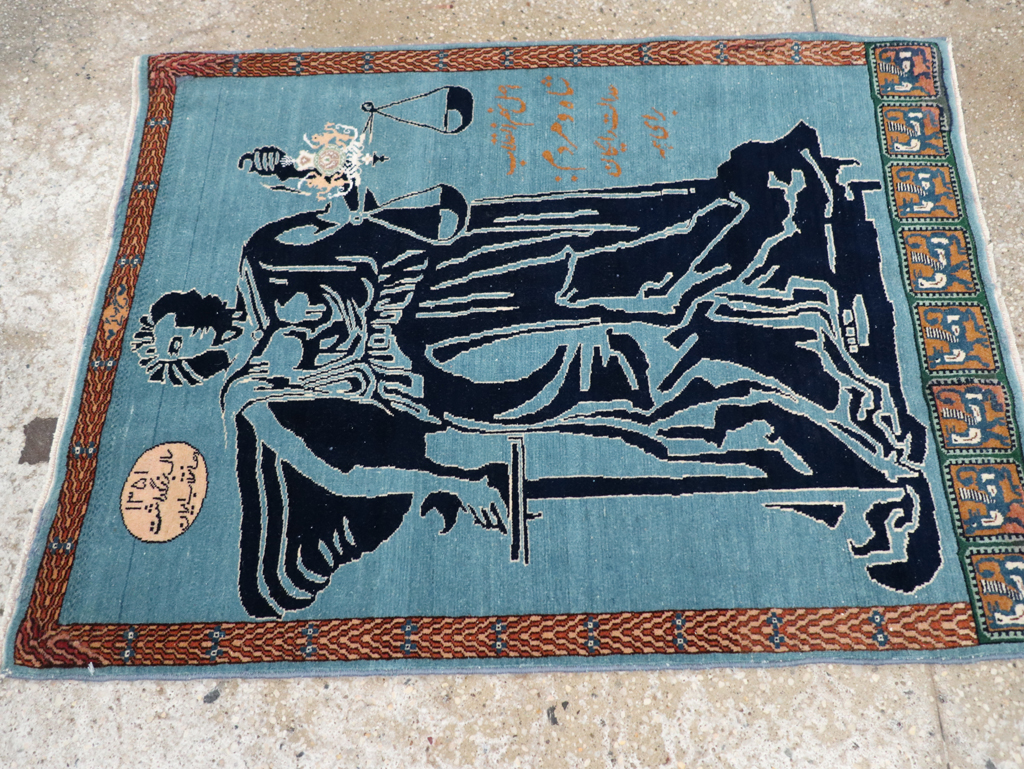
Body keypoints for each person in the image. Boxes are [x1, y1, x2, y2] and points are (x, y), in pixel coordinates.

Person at [135, 122, 945, 618]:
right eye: (174, 356)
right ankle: (819, 377)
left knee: (621, 264)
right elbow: (344, 466)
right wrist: (448, 481)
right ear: (188, 371)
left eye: (172, 330)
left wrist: (302, 176)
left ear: (187, 307)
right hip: (445, 373)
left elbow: (349, 213)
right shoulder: (253, 396)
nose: (185, 343)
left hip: (451, 275)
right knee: (632, 376)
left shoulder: (263, 257)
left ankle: (787, 255)